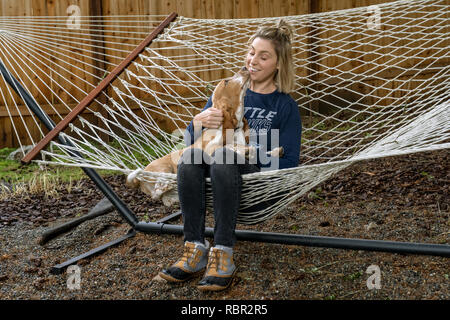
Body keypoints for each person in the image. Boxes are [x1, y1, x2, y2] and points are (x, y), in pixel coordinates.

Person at [158, 19, 302, 292]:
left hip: (256, 185)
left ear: (279, 64)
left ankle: (223, 253)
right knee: (190, 159)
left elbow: (290, 162)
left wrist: (248, 152)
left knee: (225, 156)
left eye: (263, 56)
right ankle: (195, 249)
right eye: (251, 52)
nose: (253, 60)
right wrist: (199, 121)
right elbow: (191, 140)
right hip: (218, 179)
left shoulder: (285, 106)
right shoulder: (230, 90)